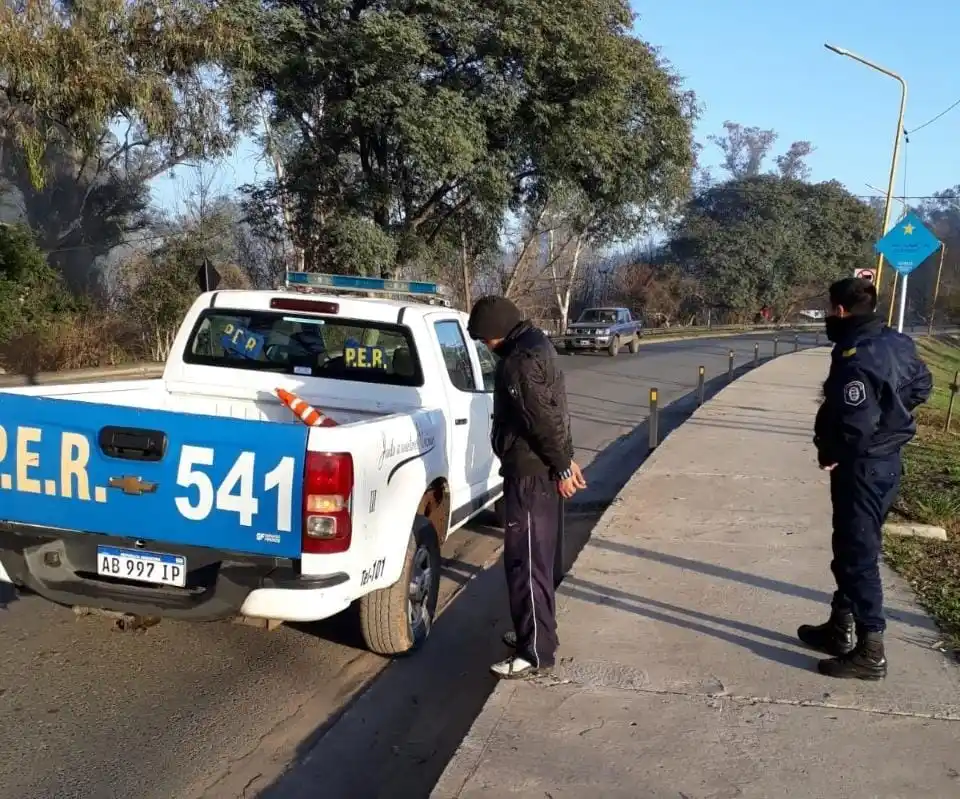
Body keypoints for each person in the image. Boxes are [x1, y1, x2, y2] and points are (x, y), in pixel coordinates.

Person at [803, 277, 932, 680]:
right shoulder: (896, 342)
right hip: (887, 461)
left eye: (830, 309)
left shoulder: (855, 357)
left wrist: (832, 453)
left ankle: (870, 650)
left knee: (858, 556)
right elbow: (922, 386)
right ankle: (840, 627)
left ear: (839, 310)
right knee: (852, 548)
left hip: (862, 466)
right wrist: (892, 414)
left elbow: (855, 427)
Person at [468, 296, 586, 679]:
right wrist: (565, 459)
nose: (485, 346)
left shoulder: (517, 364)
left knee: (527, 563)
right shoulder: (538, 344)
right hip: (541, 469)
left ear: (496, 333)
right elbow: (556, 411)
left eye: (484, 339)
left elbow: (541, 421)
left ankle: (534, 651)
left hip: (530, 475)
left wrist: (563, 466)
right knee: (538, 560)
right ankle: (536, 634)